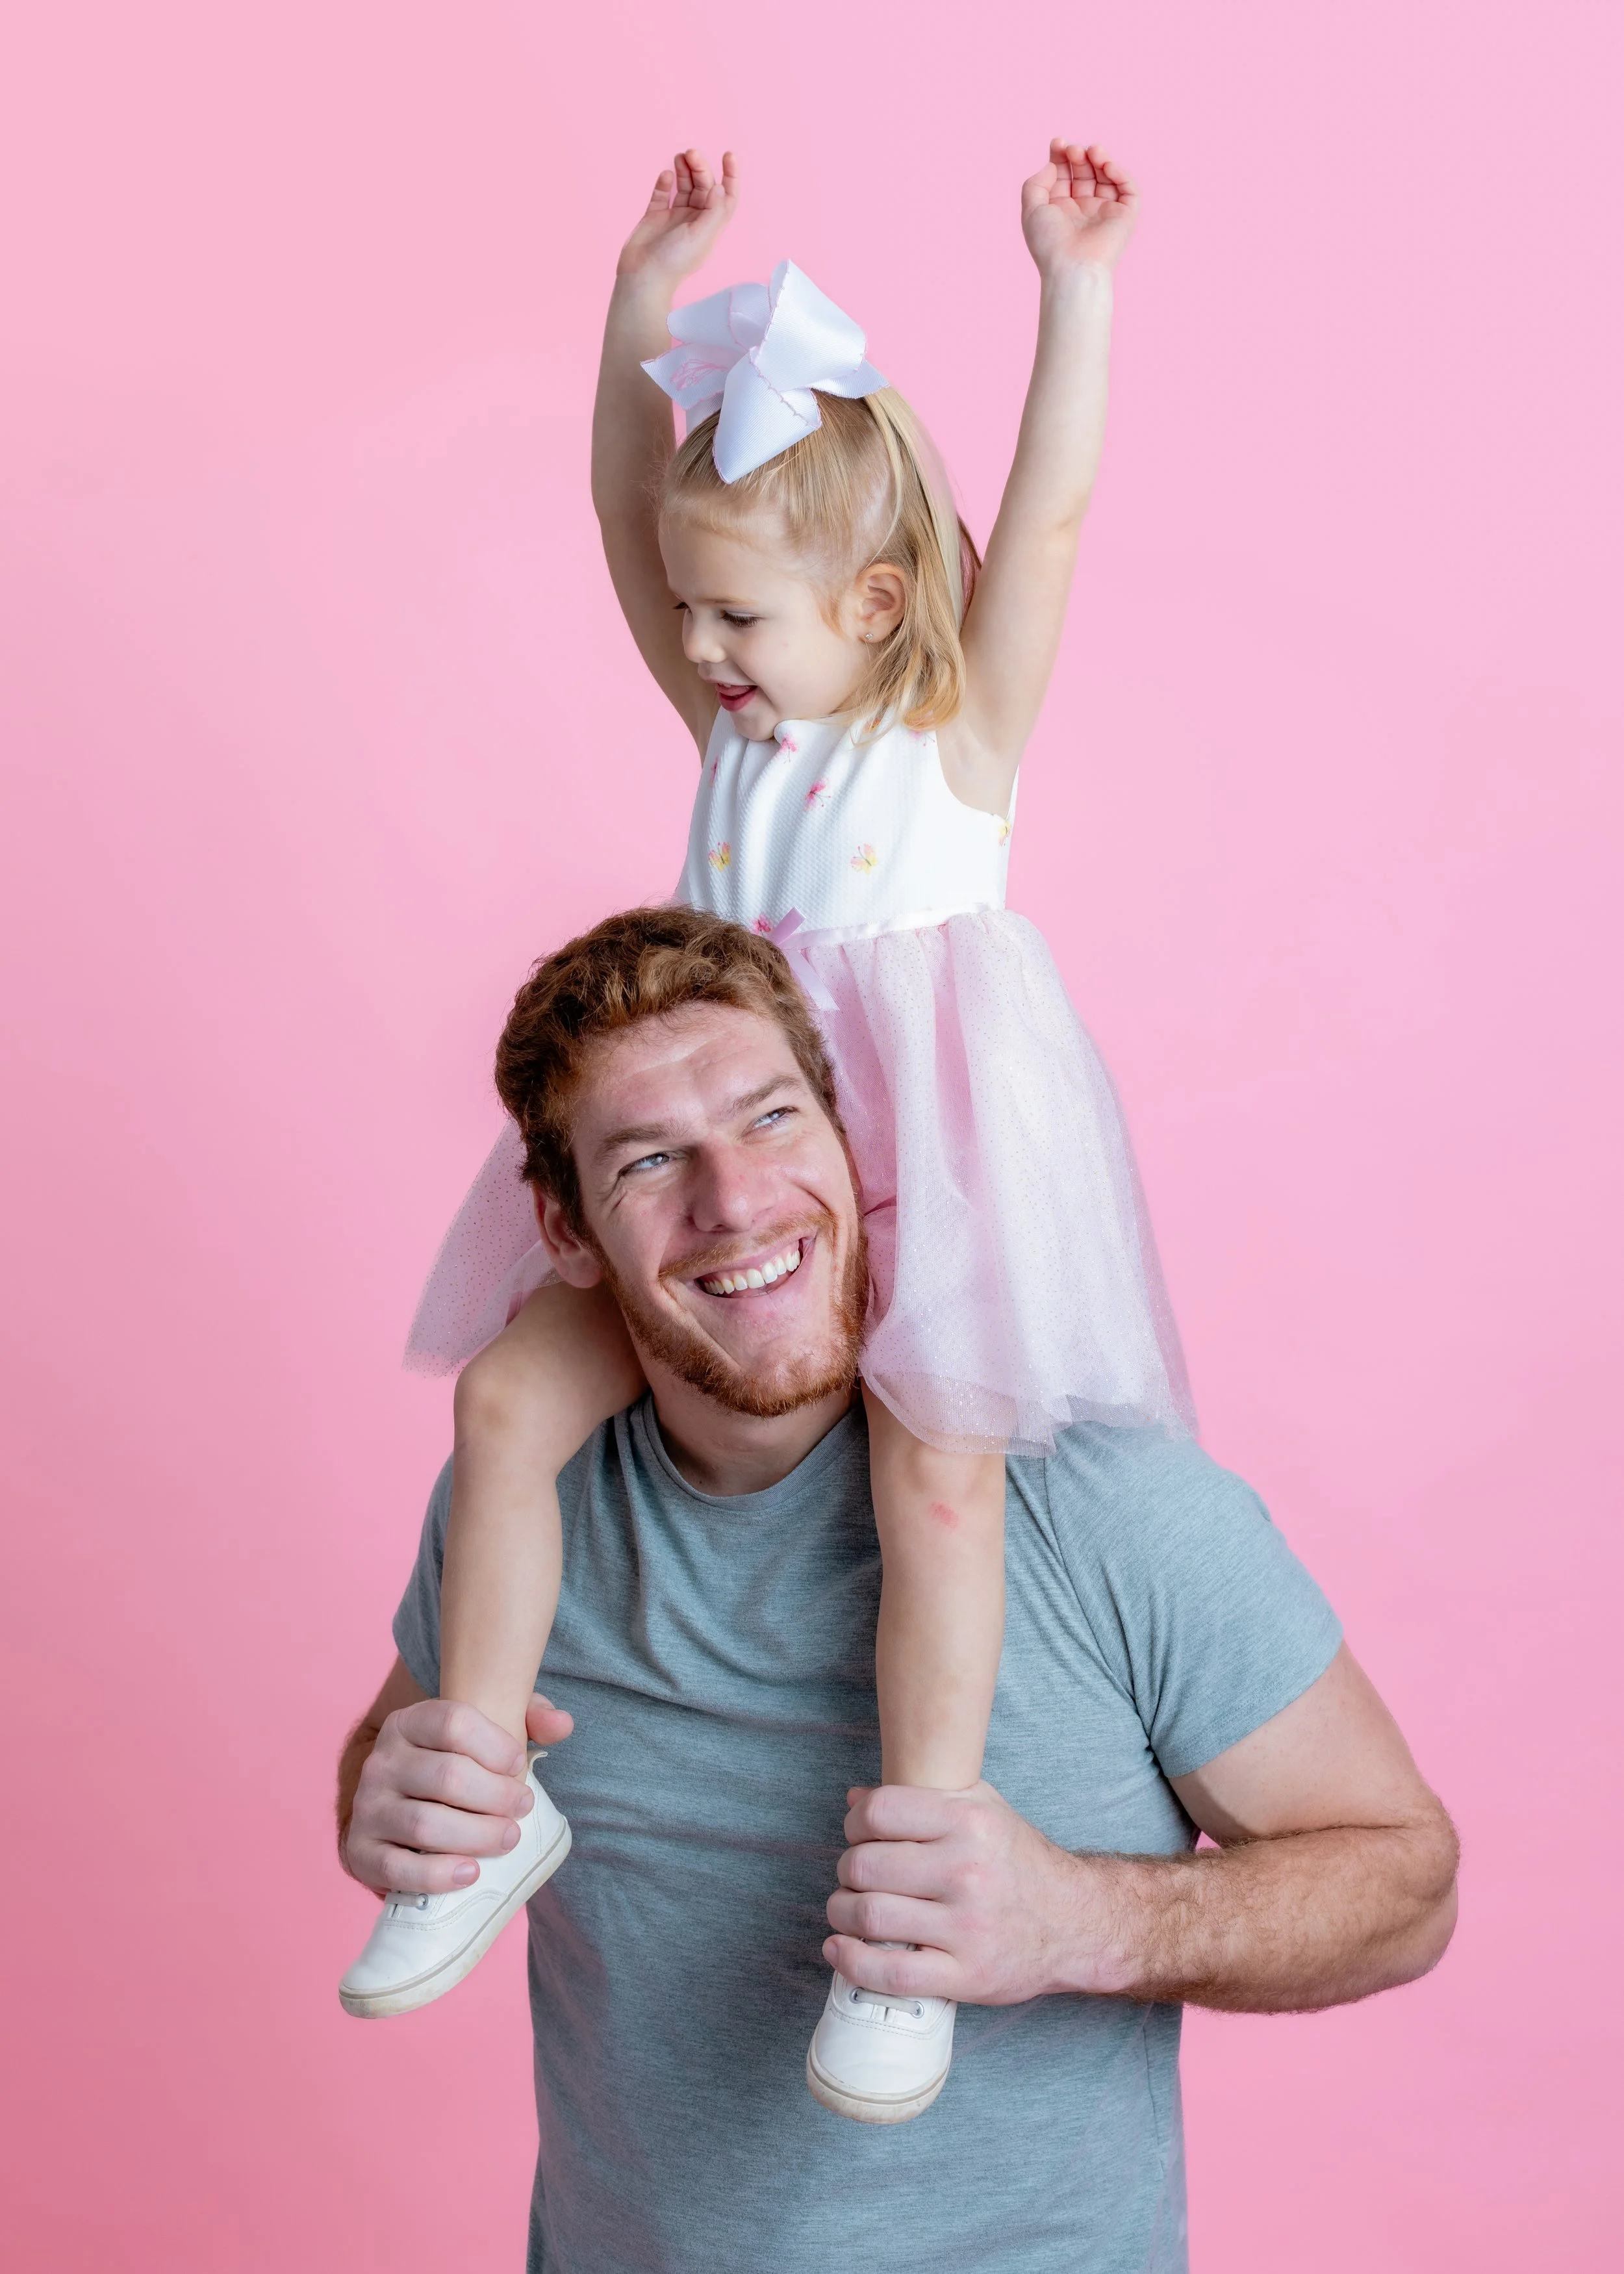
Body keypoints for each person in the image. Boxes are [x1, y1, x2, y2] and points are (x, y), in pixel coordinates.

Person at [342, 139, 1195, 2122]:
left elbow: (1048, 527)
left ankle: (909, 1899)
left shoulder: (951, 744)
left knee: (939, 1497)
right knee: (502, 1407)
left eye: (737, 617)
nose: (704, 652)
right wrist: (645, 301)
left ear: (875, 596)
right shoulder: (734, 734)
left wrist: (1074, 291)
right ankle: (481, 1796)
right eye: (694, 620)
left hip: (924, 1190)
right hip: (734, 1183)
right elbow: (616, 512)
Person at [335, 906, 1458, 2271]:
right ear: (566, 1233)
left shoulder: (1096, 1502)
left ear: (851, 1138)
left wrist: (1077, 1921)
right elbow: (389, 1766)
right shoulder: (528, 1506)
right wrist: (385, 1799)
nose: (733, 1200)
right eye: (649, 1160)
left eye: (769, 1119)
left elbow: (1404, 1883)